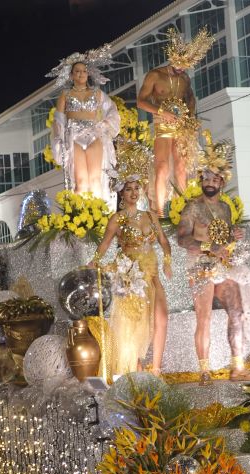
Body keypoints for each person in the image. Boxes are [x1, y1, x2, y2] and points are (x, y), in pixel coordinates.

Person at [175, 136, 250, 385]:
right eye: (206, 179)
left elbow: (221, 238)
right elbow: (182, 239)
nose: (210, 183)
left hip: (222, 267)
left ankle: (237, 367)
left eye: (215, 179)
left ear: (222, 182)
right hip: (199, 267)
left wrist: (233, 235)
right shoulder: (192, 208)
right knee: (203, 317)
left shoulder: (225, 208)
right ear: (201, 180)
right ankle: (204, 371)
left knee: (237, 311)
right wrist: (210, 247)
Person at [90, 138, 172, 376]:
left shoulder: (150, 215)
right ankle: (135, 368)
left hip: (153, 276)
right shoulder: (118, 219)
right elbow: (105, 244)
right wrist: (94, 260)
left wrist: (167, 261)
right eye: (129, 189)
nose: (134, 192)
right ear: (121, 193)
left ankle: (156, 369)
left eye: (137, 188)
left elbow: (164, 242)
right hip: (131, 278)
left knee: (161, 319)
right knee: (134, 325)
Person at [137, 27, 213, 216]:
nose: (181, 69)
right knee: (162, 166)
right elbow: (141, 101)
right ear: (172, 57)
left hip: (181, 125)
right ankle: (160, 210)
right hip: (162, 123)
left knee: (181, 167)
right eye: (179, 64)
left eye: (185, 66)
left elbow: (190, 98)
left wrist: (190, 117)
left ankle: (183, 208)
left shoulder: (184, 78)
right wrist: (161, 111)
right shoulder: (155, 75)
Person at [48, 45, 121, 203]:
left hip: (94, 135)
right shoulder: (65, 94)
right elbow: (58, 119)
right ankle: (82, 213)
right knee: (81, 181)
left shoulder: (97, 93)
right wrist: (59, 140)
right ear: (71, 75)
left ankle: (98, 214)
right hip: (74, 137)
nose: (81, 74)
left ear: (88, 73)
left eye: (84, 71)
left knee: (95, 179)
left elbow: (112, 110)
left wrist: (105, 124)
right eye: (77, 71)